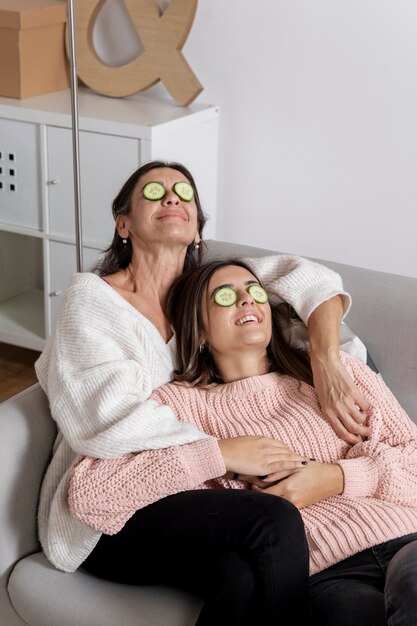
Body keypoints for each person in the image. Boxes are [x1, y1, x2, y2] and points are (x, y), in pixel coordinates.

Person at [36, 160, 362, 623]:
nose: (171, 199)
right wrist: (222, 450)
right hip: (113, 511)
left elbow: (313, 281)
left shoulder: (212, 291)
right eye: (153, 192)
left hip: (195, 496)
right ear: (123, 223)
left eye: (184, 194)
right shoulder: (92, 301)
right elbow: (103, 421)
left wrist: (326, 359)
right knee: (270, 519)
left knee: (241, 577)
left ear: (197, 232)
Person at [69, 260, 417, 626]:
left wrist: (338, 477)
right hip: (325, 575)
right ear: (199, 330)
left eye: (255, 292)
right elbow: (93, 493)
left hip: (406, 541)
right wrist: (216, 455)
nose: (247, 301)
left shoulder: (332, 374)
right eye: (224, 296)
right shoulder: (177, 405)